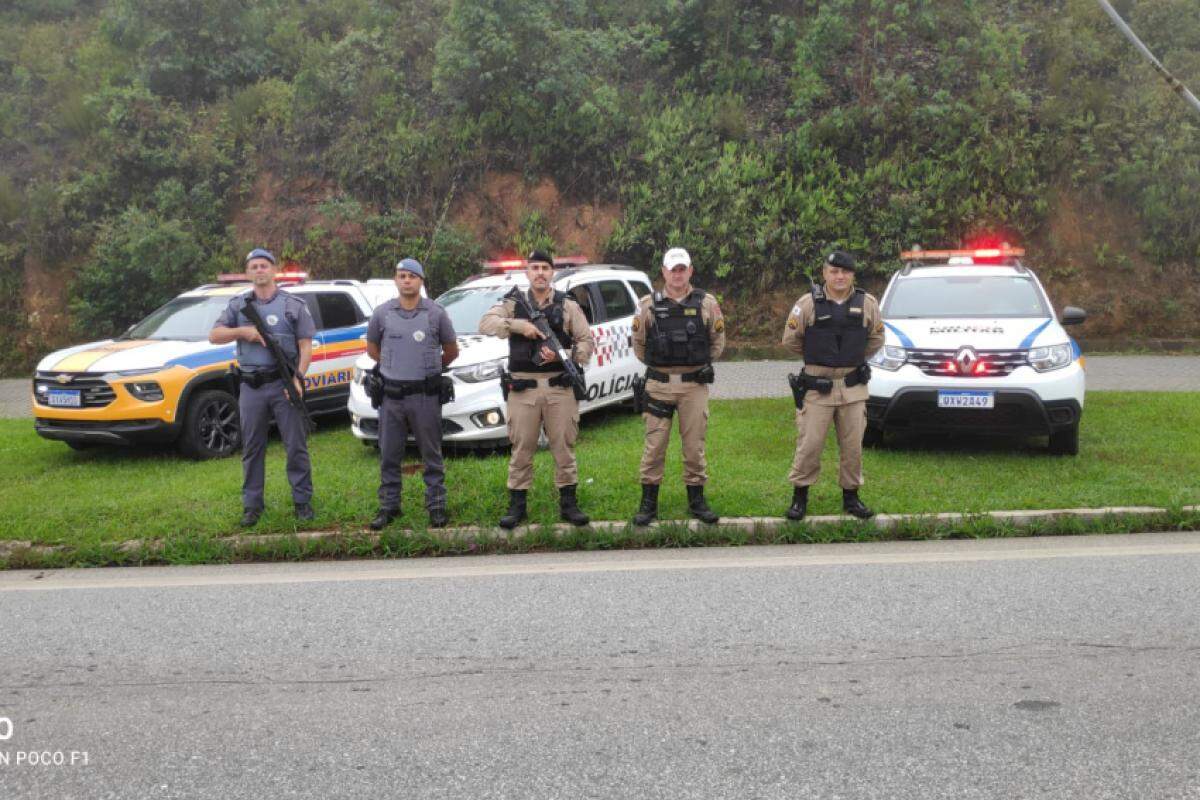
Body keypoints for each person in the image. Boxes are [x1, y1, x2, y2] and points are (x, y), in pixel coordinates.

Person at [478, 251, 595, 529]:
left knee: (564, 448)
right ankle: (517, 506)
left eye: (545, 268)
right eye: (534, 268)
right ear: (527, 273)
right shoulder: (513, 303)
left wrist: (562, 354)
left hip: (559, 388)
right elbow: (485, 324)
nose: (540, 272)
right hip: (523, 390)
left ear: (552, 272)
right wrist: (518, 326)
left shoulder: (567, 305)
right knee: (521, 449)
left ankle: (569, 504)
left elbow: (586, 342)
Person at [210, 248, 316, 527]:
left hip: (283, 384)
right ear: (248, 273)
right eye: (254, 266)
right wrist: (242, 332)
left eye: (264, 265)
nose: (259, 270)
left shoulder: (293, 305)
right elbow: (215, 335)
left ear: (273, 270)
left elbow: (306, 346)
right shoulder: (238, 305)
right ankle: (252, 506)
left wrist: (299, 379)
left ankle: (302, 502)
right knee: (252, 448)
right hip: (251, 388)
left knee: (295, 446)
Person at [781, 250, 885, 521]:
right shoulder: (807, 304)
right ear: (824, 273)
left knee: (852, 447)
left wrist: (852, 357)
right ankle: (799, 498)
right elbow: (790, 340)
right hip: (818, 389)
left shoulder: (867, 303)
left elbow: (876, 338)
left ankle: (851, 498)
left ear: (852, 274)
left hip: (852, 389)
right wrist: (820, 355)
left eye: (845, 272)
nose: (839, 276)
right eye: (834, 271)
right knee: (810, 445)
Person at [630, 247, 725, 526]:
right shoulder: (647, 305)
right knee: (654, 446)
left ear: (690, 271)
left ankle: (697, 501)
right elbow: (639, 345)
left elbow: (717, 343)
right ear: (663, 272)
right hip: (658, 385)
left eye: (683, 268)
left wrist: (696, 364)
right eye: (673, 269)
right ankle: (648, 504)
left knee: (694, 446)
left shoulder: (707, 303)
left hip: (693, 386)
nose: (678, 274)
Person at [366, 258, 460, 530]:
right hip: (392, 397)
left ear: (421, 281)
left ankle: (437, 506)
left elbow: (452, 350)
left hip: (424, 397)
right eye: (401, 275)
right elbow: (372, 348)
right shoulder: (382, 313)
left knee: (431, 454)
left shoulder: (436, 313)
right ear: (395, 280)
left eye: (412, 276)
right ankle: (389, 506)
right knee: (389, 454)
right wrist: (392, 366)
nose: (406, 280)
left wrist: (430, 369)